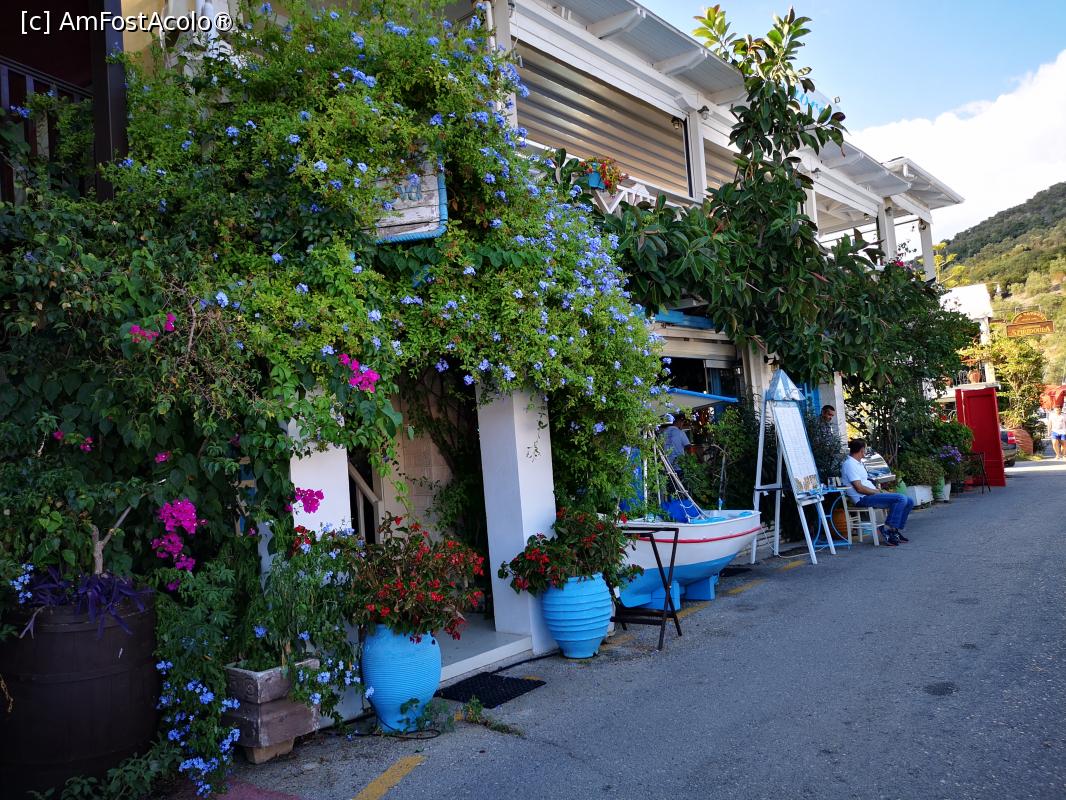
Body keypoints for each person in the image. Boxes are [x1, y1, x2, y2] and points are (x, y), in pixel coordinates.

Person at [841, 438, 914, 546]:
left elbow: (865, 482)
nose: (866, 451)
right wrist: (877, 492)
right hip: (862, 498)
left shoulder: (858, 463)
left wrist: (879, 491)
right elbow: (859, 488)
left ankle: (894, 531)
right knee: (901, 498)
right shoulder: (849, 464)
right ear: (862, 450)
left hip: (870, 494)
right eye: (865, 449)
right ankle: (888, 529)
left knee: (909, 501)